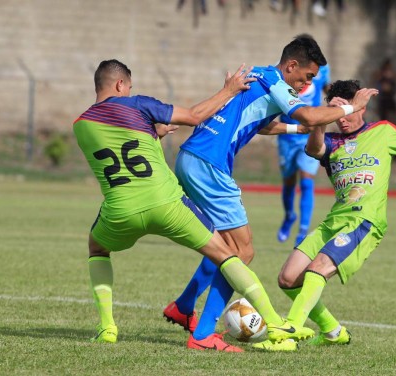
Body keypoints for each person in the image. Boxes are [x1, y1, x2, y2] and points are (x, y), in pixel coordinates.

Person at [73, 59, 313, 351]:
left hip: (120, 211)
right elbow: (194, 116)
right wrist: (228, 90)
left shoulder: (81, 125)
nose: (129, 92)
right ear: (121, 84)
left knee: (97, 249)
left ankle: (107, 327)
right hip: (167, 205)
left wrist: (153, 134)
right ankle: (274, 323)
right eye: (129, 87)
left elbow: (124, 151)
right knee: (229, 254)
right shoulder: (137, 104)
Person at [163, 36, 378, 351]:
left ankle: (183, 307)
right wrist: (352, 106)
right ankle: (204, 333)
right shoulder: (278, 81)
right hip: (210, 164)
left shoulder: (261, 76)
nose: (307, 85)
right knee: (241, 253)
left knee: (224, 245)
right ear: (291, 65)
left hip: (192, 156)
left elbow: (258, 123)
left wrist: (292, 130)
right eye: (306, 77)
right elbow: (308, 115)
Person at [268, 80, 396, 351]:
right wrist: (322, 116)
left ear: (361, 107)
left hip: (364, 222)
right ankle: (333, 331)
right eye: (336, 112)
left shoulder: (383, 132)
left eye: (347, 109)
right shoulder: (331, 141)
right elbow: (313, 150)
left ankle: (292, 328)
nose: (341, 118)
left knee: (317, 269)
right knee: (287, 278)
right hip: (334, 221)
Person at [277, 34, 331, 248]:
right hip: (287, 134)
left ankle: (302, 231)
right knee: (289, 181)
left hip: (308, 134)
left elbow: (327, 88)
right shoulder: (286, 72)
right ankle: (289, 216)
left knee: (307, 180)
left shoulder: (321, 70)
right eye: (307, 76)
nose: (308, 81)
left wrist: (338, 102)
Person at [372, 58, 396, 123]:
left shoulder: (392, 74)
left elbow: (393, 85)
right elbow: (376, 80)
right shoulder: (381, 74)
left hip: (390, 98)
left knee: (392, 116)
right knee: (383, 117)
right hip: (383, 98)